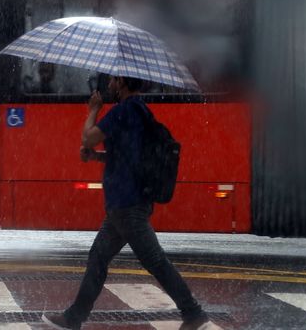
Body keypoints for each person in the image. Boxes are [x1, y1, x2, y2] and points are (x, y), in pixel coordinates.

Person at [46, 75, 210, 330]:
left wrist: (93, 110)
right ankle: (73, 318)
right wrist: (97, 157)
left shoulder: (123, 111)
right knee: (98, 258)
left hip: (126, 204)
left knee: (155, 261)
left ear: (122, 82)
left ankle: (194, 313)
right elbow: (126, 156)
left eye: (112, 79)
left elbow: (88, 136)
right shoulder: (140, 110)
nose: (109, 84)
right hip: (126, 203)